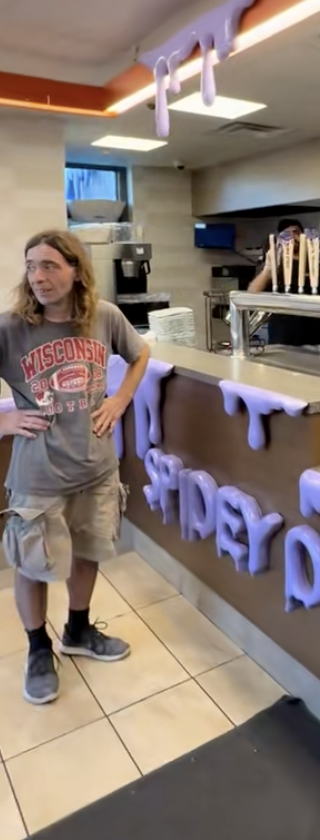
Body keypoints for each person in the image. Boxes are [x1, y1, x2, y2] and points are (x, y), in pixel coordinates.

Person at [0, 230, 149, 705]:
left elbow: (140, 353)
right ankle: (39, 648)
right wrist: (5, 419)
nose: (38, 277)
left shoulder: (104, 317)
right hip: (38, 475)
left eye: (49, 266)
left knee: (87, 552)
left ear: (75, 270)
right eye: (31, 267)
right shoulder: (12, 328)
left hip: (97, 467)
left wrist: (121, 398)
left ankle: (79, 631)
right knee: (33, 564)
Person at [248, 218, 320, 353]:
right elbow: (251, 295)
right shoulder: (274, 267)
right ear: (280, 240)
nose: (292, 237)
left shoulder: (316, 267)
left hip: (312, 341)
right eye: (287, 234)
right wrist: (268, 269)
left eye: (296, 232)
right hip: (280, 341)